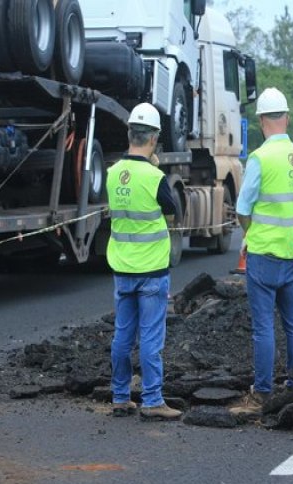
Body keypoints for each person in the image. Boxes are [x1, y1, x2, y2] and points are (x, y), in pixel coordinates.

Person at [235, 87, 293, 410]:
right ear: (287, 118)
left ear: (261, 121)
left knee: (264, 326)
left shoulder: (260, 159)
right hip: (290, 254)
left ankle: (263, 391)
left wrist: (248, 234)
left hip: (263, 253)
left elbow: (242, 207)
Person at [106, 102, 182, 421]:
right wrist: (154, 166)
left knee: (123, 336)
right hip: (151, 271)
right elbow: (174, 209)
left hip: (122, 268)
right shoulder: (154, 176)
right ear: (153, 139)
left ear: (129, 133)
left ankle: (121, 397)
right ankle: (152, 400)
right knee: (151, 338)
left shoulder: (112, 174)